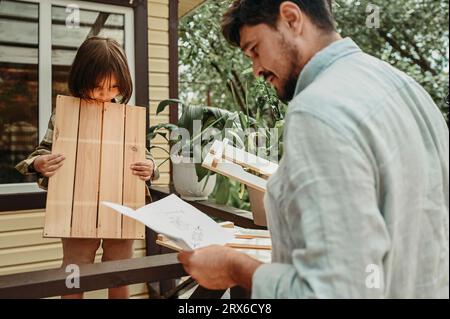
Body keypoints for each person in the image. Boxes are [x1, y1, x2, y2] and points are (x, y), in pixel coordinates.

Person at [178, 0, 449, 298]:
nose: (256, 69)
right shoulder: (409, 90)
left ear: (292, 18)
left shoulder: (316, 110)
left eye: (255, 49)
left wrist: (234, 267)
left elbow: (331, 291)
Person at [16, 37, 160, 299]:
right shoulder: (64, 115)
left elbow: (145, 155)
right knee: (74, 273)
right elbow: (40, 154)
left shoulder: (128, 117)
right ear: (81, 79)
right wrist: (39, 163)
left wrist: (149, 166)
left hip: (122, 205)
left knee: (120, 273)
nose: (106, 94)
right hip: (76, 208)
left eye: (114, 87)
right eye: (98, 87)